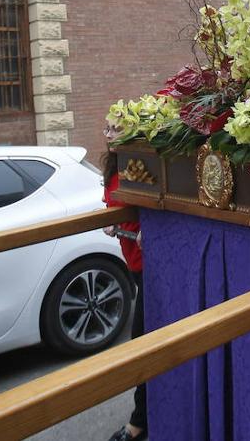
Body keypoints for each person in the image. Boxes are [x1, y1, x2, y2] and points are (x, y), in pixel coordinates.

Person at [102, 149, 147, 441]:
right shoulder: (112, 166)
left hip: (150, 266)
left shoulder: (142, 163)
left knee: (141, 341)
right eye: (107, 127)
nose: (109, 133)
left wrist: (151, 228)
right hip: (132, 259)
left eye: (117, 128)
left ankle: (139, 420)